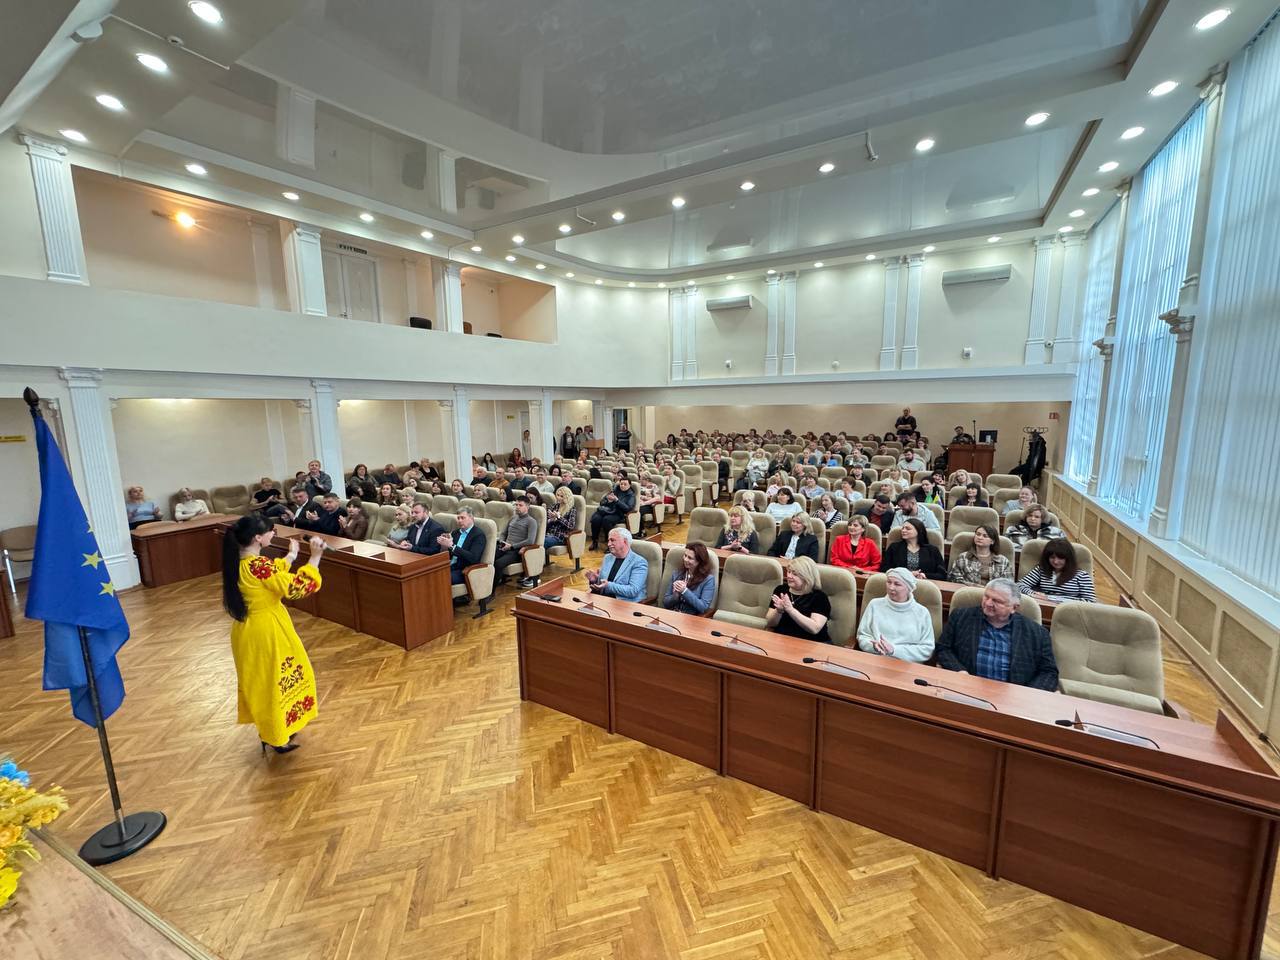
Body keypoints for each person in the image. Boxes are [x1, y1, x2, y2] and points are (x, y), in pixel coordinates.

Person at [221, 514, 324, 754]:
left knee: (263, 682)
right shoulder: (258, 565)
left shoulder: (240, 561)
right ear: (258, 537)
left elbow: (270, 575)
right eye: (271, 531)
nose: (273, 534)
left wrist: (291, 557)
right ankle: (277, 735)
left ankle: (273, 731)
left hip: (247, 630)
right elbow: (296, 588)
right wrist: (315, 558)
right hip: (267, 630)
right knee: (277, 681)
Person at [935, 579, 1059, 689]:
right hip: (966, 688)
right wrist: (959, 671)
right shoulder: (961, 616)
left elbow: (1049, 672)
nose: (988, 603)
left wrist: (1026, 694)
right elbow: (943, 648)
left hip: (1013, 697)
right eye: (986, 597)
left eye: (997, 601)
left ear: (1014, 608)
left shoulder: (1037, 633)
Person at [856, 567, 935, 663]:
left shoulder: (922, 613)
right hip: (874, 660)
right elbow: (863, 636)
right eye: (889, 582)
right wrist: (872, 646)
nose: (891, 587)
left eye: (897, 584)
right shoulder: (874, 605)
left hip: (907, 665)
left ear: (909, 588)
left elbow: (927, 649)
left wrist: (894, 650)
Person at [767, 556, 832, 644]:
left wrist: (791, 610)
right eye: (789, 571)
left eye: (795, 574)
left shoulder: (819, 597)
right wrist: (779, 611)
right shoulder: (781, 590)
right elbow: (770, 623)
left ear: (807, 576)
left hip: (813, 644)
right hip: (783, 641)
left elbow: (815, 629)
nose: (789, 576)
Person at [1018, 538, 1097, 602]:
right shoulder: (1041, 570)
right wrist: (1034, 594)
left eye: (1060, 558)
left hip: (1071, 611)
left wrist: (1051, 598)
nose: (1055, 562)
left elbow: (1090, 601)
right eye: (1052, 557)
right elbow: (1019, 585)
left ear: (1068, 558)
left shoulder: (1082, 576)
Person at [585, 527, 648, 601]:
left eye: (612, 540)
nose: (608, 544)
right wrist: (595, 580)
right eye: (608, 541)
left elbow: (633, 590)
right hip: (606, 601)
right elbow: (603, 584)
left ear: (625, 541)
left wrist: (609, 585)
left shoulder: (639, 562)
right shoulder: (608, 558)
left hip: (626, 604)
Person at [437, 507, 487, 600]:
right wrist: (444, 545)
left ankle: (443, 605)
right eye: (458, 518)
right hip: (450, 565)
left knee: (441, 578)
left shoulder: (478, 535)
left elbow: (473, 558)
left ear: (471, 518)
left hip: (464, 569)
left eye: (462, 518)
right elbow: (449, 553)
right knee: (431, 574)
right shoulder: (455, 533)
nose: (459, 521)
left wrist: (452, 546)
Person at [492, 498, 539, 588]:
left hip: (516, 551)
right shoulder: (513, 518)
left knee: (498, 564)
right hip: (504, 547)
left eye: (520, 505)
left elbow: (530, 540)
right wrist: (502, 542)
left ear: (527, 507)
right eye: (516, 505)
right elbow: (503, 533)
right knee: (488, 559)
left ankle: (491, 591)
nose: (517, 507)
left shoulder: (531, 521)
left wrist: (511, 546)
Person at [880, 518, 947, 580]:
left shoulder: (932, 550)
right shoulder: (894, 547)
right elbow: (884, 569)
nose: (903, 530)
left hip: (925, 584)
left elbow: (942, 574)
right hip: (900, 582)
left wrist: (924, 575)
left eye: (908, 529)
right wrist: (907, 574)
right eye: (903, 528)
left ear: (919, 531)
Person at [663, 542, 716, 616]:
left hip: (691, 618)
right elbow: (665, 603)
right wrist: (676, 595)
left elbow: (703, 607)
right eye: (685, 555)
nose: (685, 559)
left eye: (690, 558)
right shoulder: (677, 574)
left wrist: (685, 591)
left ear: (699, 561)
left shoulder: (708, 580)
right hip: (672, 615)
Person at [544, 486, 578, 550]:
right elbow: (546, 524)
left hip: (560, 537)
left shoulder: (572, 509)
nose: (558, 497)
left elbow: (571, 526)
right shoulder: (555, 506)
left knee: (543, 542)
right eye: (558, 495)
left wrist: (559, 518)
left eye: (562, 496)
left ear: (567, 497)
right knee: (537, 540)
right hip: (549, 534)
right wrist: (550, 520)